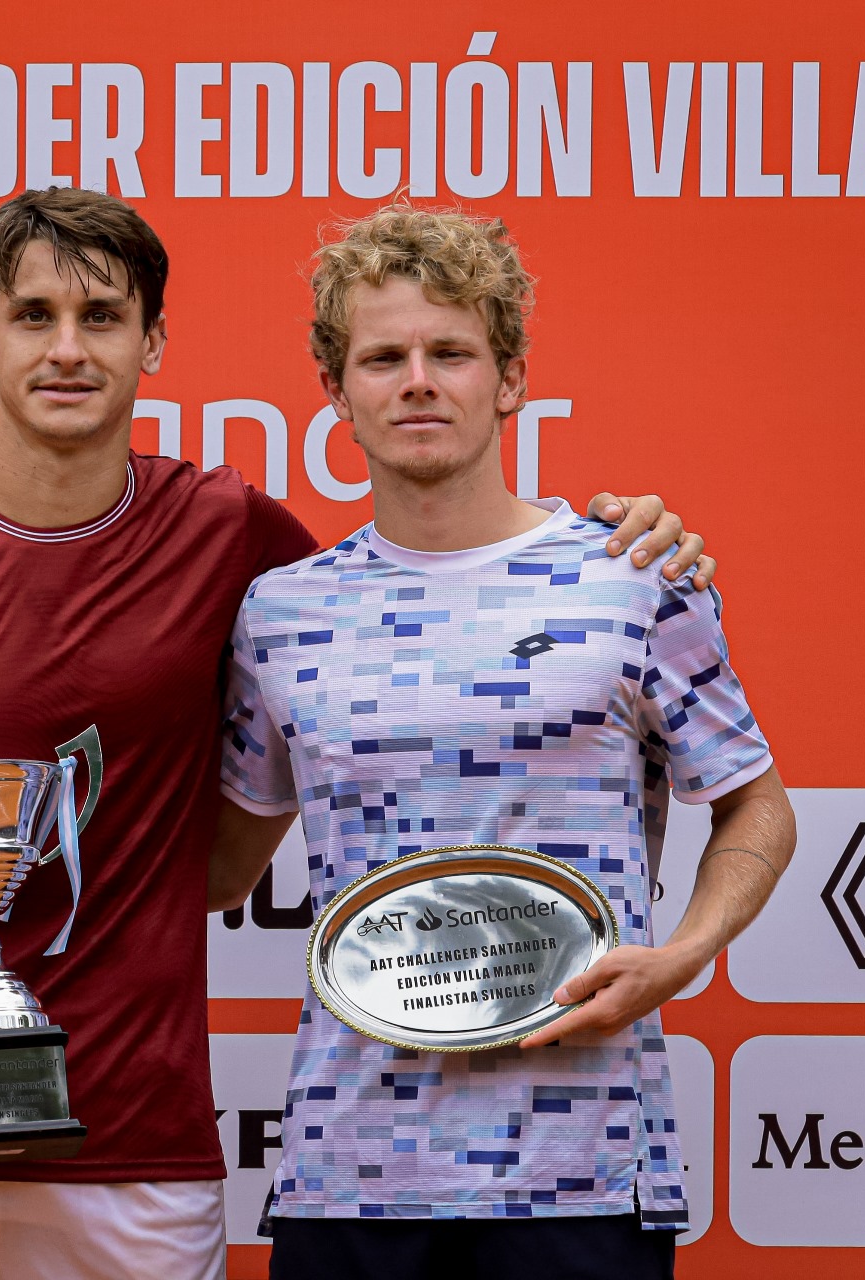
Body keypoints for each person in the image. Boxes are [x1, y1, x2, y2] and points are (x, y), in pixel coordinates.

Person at [0, 185, 715, 1280]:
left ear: (153, 341)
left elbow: (427, 581)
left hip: (140, 1149)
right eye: (32, 317)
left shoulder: (239, 543)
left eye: (101, 317)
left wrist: (627, 542)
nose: (66, 350)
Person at [211, 202, 795, 1280]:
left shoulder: (632, 577)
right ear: (336, 392)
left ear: (510, 378)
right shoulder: (280, 613)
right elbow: (217, 868)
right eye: (381, 358)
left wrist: (680, 956)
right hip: (351, 1174)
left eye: (451, 352)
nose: (417, 382)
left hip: (584, 1172)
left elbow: (757, 804)